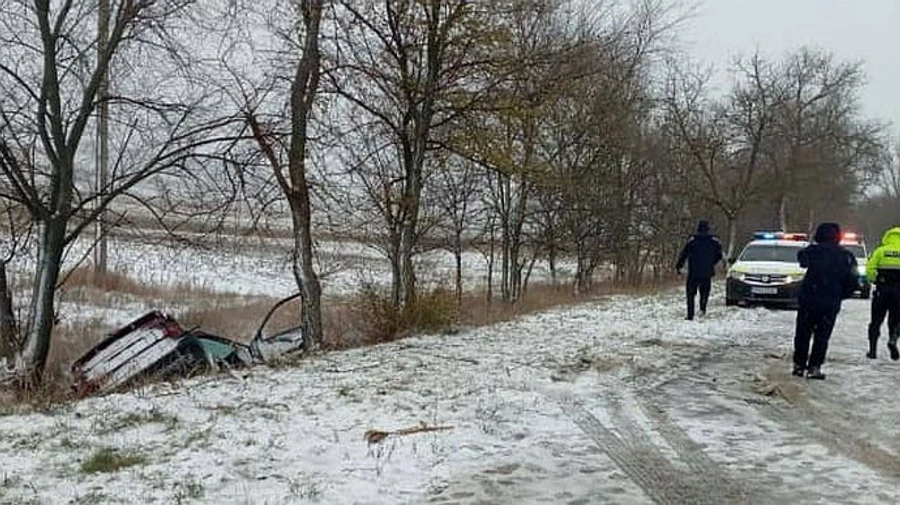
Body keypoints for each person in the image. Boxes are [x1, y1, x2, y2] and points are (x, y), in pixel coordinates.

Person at [793, 222, 859, 379]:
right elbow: (853, 281)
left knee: (803, 333)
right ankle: (815, 366)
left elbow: (802, 260)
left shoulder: (812, 252)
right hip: (830, 302)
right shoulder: (847, 256)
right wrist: (841, 295)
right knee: (822, 336)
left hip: (809, 299)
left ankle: (799, 365)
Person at [675, 220, 723, 320]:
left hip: (694, 272)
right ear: (708, 229)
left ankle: (690, 314)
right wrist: (711, 263)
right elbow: (719, 255)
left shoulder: (692, 240)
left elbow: (684, 254)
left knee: (690, 294)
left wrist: (678, 266)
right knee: (704, 292)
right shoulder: (714, 241)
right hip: (707, 272)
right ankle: (702, 309)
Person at [865, 227, 900, 361]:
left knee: (876, 321)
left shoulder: (880, 251)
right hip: (899, 292)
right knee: (896, 320)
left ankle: (872, 350)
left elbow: (870, 269)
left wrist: (874, 280)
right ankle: (893, 339)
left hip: (882, 290)